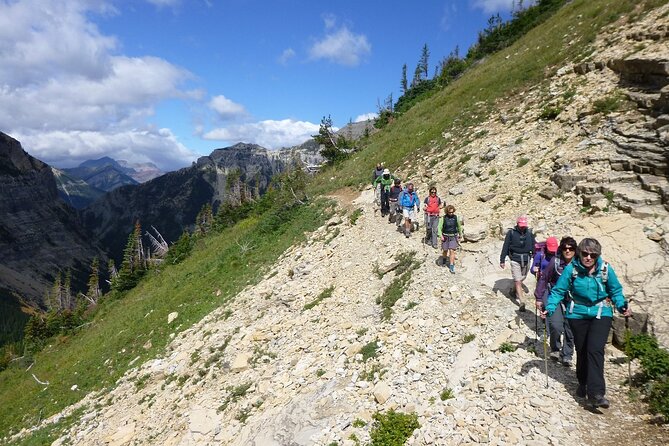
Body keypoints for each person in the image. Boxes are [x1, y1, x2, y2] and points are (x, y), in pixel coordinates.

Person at [542, 238, 631, 409]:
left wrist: (621, 305)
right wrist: (550, 307)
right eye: (585, 253)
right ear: (580, 253)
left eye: (593, 255)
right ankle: (582, 383)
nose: (588, 257)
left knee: (595, 349)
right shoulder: (571, 269)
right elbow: (558, 290)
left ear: (598, 255)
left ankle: (597, 393)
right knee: (582, 350)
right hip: (577, 314)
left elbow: (616, 291)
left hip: (601, 313)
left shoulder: (605, 269)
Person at [534, 236, 576, 366]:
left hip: (573, 299)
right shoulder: (555, 262)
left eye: (571, 248)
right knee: (556, 324)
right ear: (561, 249)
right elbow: (544, 278)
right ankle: (555, 349)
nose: (568, 251)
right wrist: (539, 297)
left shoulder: (580, 263)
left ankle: (567, 355)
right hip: (554, 295)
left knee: (571, 327)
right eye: (565, 248)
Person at [499, 215, 535, 312]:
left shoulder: (529, 233)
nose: (523, 226)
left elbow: (534, 245)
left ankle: (513, 291)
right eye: (521, 225)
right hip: (515, 259)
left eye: (524, 225)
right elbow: (505, 246)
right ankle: (522, 302)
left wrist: (536, 258)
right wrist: (502, 259)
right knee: (518, 281)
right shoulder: (511, 233)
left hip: (527, 258)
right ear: (517, 224)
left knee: (522, 277)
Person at [438, 205, 463, 273]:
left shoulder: (456, 218)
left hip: (453, 236)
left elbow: (459, 226)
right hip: (445, 236)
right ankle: (444, 260)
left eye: (452, 212)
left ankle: (451, 266)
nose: (451, 213)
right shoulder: (443, 218)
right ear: (447, 212)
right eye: (449, 212)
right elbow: (439, 228)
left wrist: (460, 234)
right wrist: (441, 236)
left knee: (452, 250)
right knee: (445, 250)